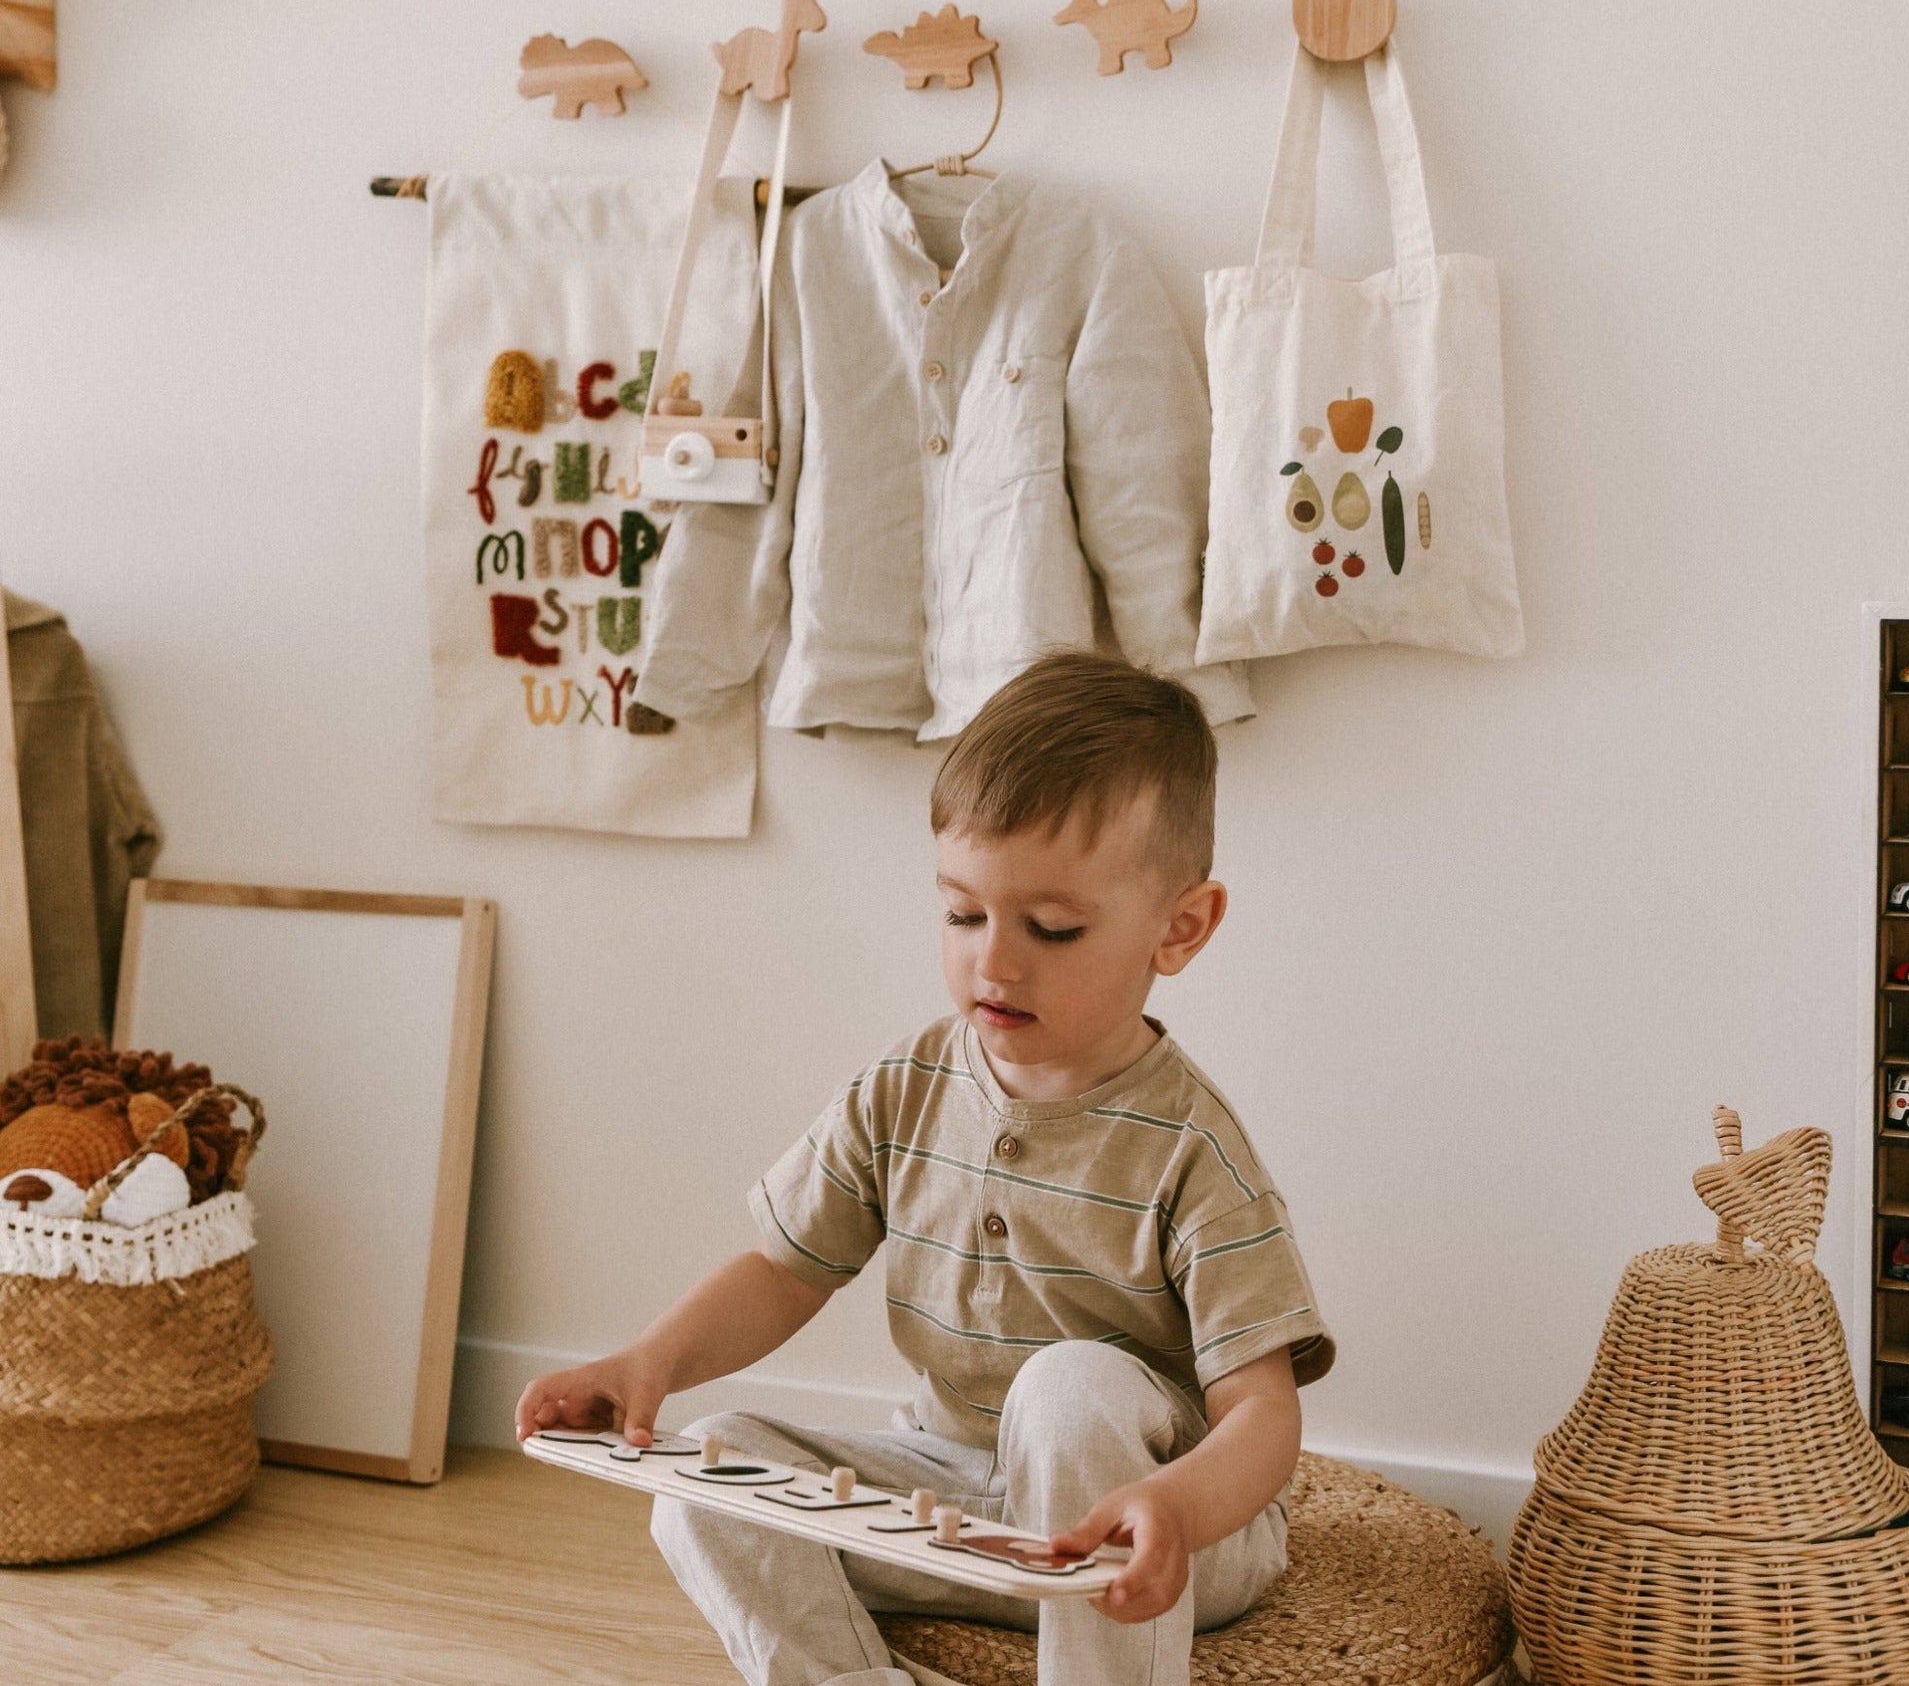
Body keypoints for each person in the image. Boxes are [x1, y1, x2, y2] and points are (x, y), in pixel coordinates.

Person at [515, 650, 1333, 1686]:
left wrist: (1175, 1506)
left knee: (1069, 1381)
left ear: (1179, 928)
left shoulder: (1193, 1151)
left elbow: (1263, 1415)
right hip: (957, 1502)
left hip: (1162, 1531)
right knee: (706, 1469)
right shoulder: (902, 1087)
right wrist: (647, 1364)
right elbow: (783, 1268)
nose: (995, 960)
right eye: (962, 911)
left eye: (1052, 927)